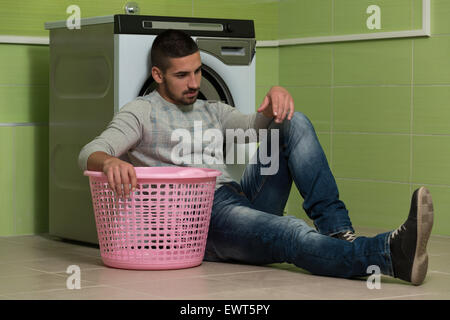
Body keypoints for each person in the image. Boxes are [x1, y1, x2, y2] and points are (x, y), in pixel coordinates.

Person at [78, 29, 434, 286]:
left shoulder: (210, 109)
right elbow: (89, 152)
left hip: (236, 197)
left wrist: (276, 98)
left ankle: (338, 232)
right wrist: (108, 162)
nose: (193, 82)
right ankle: (388, 253)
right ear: (158, 75)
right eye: (182, 75)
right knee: (289, 231)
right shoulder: (141, 112)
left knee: (293, 123)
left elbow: (253, 127)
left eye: (198, 71)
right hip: (199, 220)